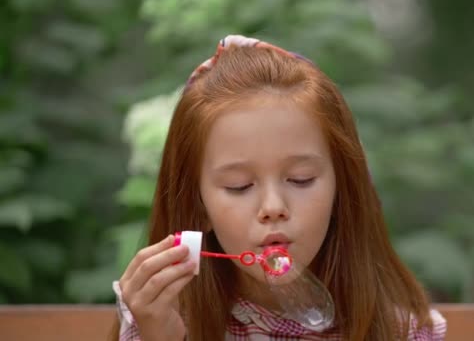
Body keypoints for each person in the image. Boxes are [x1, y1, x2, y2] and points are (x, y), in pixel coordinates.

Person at [111, 35, 447, 341]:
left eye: (301, 179)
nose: (273, 206)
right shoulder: (163, 320)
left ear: (341, 189)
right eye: (239, 186)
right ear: (199, 207)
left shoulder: (400, 333)